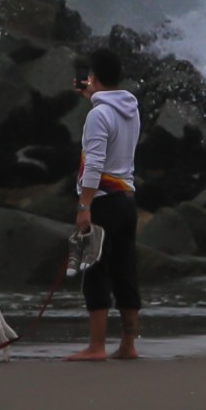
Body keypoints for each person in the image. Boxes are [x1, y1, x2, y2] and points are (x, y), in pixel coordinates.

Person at [67, 47, 141, 361]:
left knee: (95, 270)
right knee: (125, 270)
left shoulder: (99, 114)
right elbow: (109, 111)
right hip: (127, 201)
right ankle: (128, 344)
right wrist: (93, 94)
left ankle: (96, 347)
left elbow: (94, 164)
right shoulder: (130, 108)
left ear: (93, 76)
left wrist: (84, 207)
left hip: (102, 202)